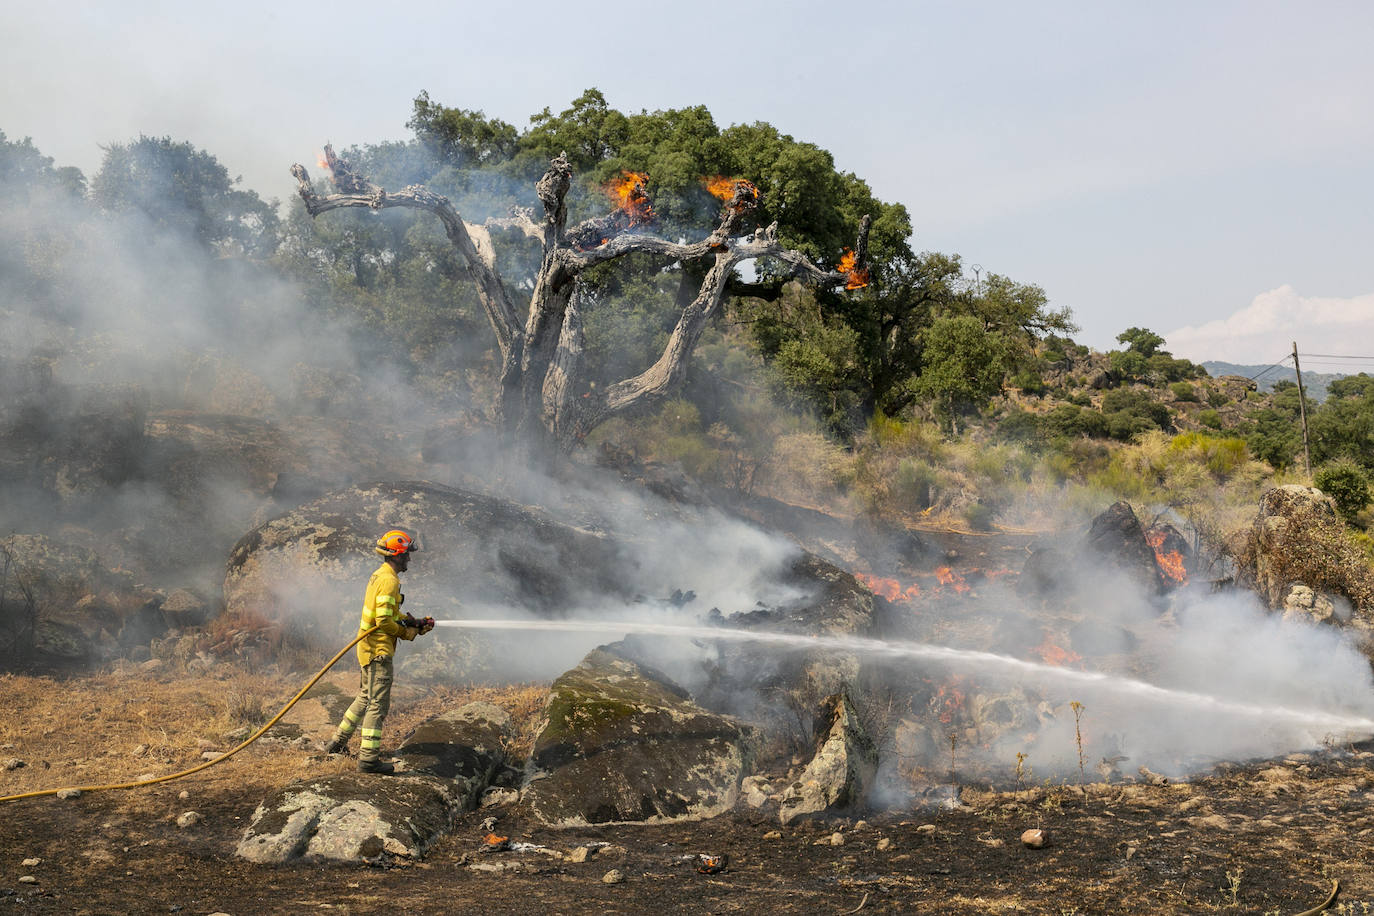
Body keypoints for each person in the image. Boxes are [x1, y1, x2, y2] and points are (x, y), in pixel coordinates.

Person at [324, 528, 433, 774]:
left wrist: (414, 623)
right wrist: (407, 633)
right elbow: (384, 622)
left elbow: (389, 615)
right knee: (377, 705)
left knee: (365, 697)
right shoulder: (389, 580)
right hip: (378, 652)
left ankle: (337, 743)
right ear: (396, 555)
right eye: (406, 554)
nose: (409, 559)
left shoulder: (380, 575)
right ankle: (369, 760)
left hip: (368, 649)